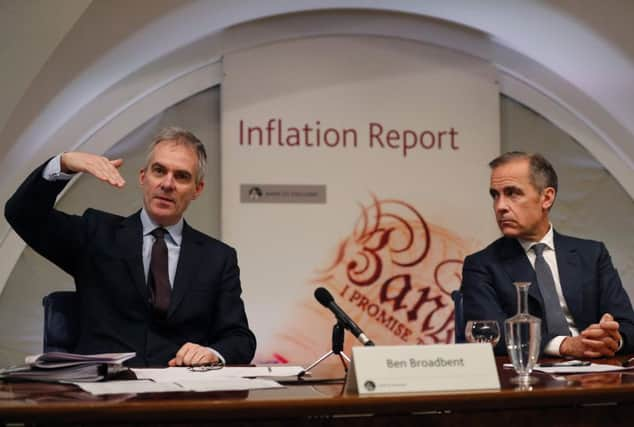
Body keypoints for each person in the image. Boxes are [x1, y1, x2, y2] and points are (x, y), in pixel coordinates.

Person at [5, 127, 256, 366]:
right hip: (103, 396)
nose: (167, 184)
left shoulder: (217, 258)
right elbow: (22, 214)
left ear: (197, 189)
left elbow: (239, 338)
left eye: (181, 176)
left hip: (180, 396)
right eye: (159, 171)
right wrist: (64, 163)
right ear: (143, 177)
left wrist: (211, 353)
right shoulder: (96, 234)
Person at [461, 151, 634, 357]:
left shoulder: (592, 254)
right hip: (530, 377)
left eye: (512, 193)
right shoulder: (482, 265)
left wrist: (612, 339)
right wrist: (565, 345)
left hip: (599, 374)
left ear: (546, 198)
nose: (500, 206)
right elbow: (488, 334)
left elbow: (627, 325)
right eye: (495, 195)